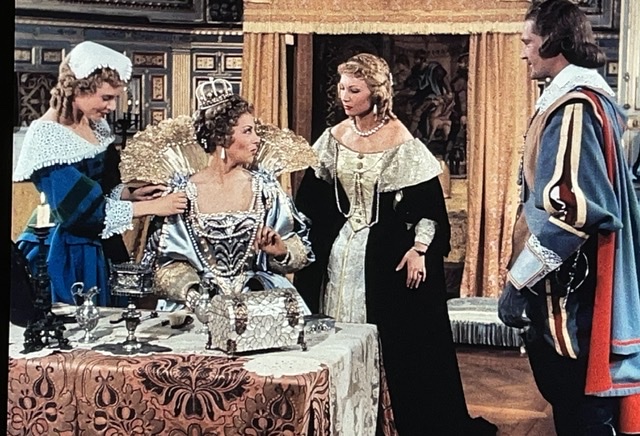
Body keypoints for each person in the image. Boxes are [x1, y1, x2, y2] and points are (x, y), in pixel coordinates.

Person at [293, 53, 497, 436]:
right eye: (342, 89)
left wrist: (419, 249)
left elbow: (428, 208)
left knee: (394, 336)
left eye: (354, 90)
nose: (345, 97)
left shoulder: (402, 141)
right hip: (339, 250)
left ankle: (381, 415)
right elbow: (310, 201)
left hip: (384, 252)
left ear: (376, 93)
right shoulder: (334, 138)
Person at [498, 1, 640, 435]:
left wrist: (518, 282)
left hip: (568, 288)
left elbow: (571, 213)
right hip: (576, 280)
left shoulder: (574, 106)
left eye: (528, 42)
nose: (523, 53)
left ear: (553, 41)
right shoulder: (583, 100)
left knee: (577, 402)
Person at [12, 41, 188, 307]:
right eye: (106, 97)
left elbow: (103, 185)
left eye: (115, 98)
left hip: (102, 243)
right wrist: (154, 207)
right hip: (67, 251)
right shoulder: (47, 136)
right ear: (78, 89)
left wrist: (129, 194)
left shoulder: (96, 125)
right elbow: (79, 212)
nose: (112, 106)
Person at [139, 79, 315, 311]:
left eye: (255, 131)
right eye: (247, 131)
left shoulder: (265, 189)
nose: (257, 139)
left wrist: (281, 251)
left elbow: (300, 248)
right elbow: (165, 265)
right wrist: (195, 296)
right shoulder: (183, 195)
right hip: (199, 305)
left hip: (260, 302)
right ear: (221, 137)